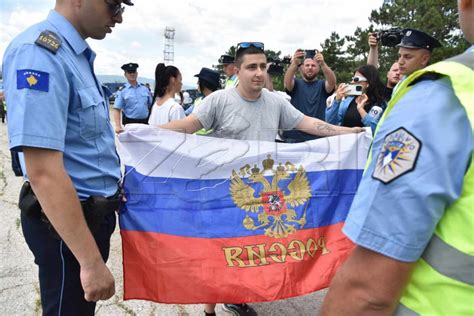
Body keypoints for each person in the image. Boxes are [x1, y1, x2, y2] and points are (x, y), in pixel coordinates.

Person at [157, 41, 364, 316]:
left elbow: (310, 124)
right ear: (238, 70)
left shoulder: (276, 102)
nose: (258, 73)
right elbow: (189, 125)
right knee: (217, 252)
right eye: (251, 67)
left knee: (247, 251)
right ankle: (209, 309)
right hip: (224, 192)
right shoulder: (218, 100)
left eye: (263, 67)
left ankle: (238, 298)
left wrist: (347, 133)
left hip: (262, 194)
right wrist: (148, 132)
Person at [320, 0, 473, 314]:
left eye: (407, 56)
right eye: (398, 56)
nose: (400, 62)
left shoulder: (442, 94)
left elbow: (368, 290)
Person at [2, 0, 134, 315]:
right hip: (67, 229)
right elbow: (43, 170)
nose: (118, 17)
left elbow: (84, 149)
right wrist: (89, 262)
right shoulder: (41, 54)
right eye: (113, 4)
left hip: (88, 219)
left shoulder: (74, 57)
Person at [282, 49, 336, 143]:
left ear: (318, 68)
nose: (310, 67)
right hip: (294, 137)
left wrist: (323, 64)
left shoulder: (322, 85)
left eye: (313, 65)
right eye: (307, 65)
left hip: (317, 137)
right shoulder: (296, 84)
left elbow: (332, 82)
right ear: (302, 67)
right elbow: (287, 83)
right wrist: (294, 64)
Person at [326, 64, 386, 134]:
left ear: (368, 83)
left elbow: (375, 131)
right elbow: (330, 123)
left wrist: (361, 110)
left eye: (356, 79)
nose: (352, 82)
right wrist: (337, 101)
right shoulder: (348, 100)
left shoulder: (380, 104)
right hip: (346, 142)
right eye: (352, 79)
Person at [113, 62, 152, 133]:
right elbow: (117, 109)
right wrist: (118, 126)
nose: (132, 74)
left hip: (145, 123)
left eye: (133, 72)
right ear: (125, 74)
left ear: (137, 73)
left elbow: (151, 106)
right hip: (130, 124)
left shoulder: (145, 89)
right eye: (129, 72)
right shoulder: (122, 91)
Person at [367, 33, 402, 101]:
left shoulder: (408, 94)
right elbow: (371, 71)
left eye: (401, 72)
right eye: (395, 70)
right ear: (388, 74)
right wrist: (373, 47)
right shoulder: (379, 91)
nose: (398, 73)